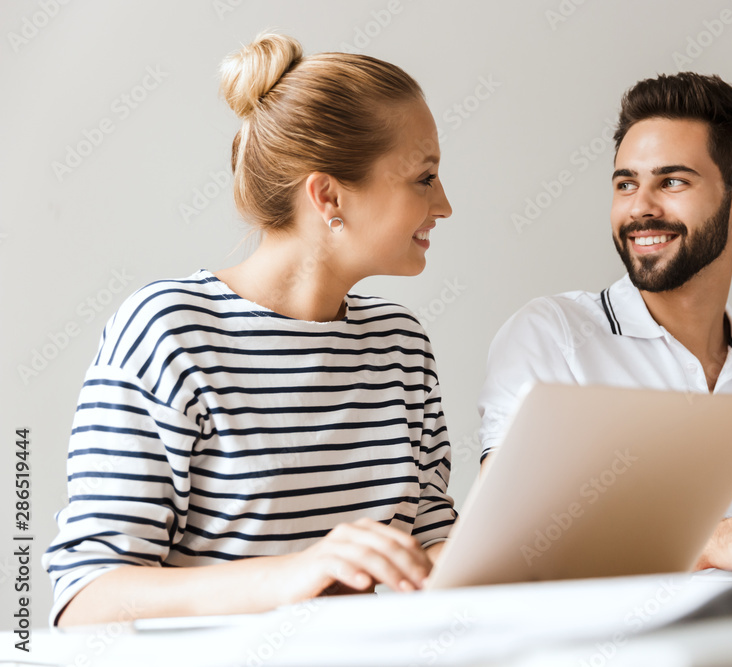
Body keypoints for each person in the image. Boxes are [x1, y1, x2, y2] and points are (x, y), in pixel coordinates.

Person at [43, 33, 456, 626]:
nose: (444, 205)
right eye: (424, 178)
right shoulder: (167, 332)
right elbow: (85, 602)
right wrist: (292, 574)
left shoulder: (401, 345)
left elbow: (435, 551)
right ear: (329, 195)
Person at [477, 72, 732, 579]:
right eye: (626, 183)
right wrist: (712, 543)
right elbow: (505, 545)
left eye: (671, 181)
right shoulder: (552, 335)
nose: (640, 207)